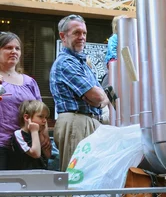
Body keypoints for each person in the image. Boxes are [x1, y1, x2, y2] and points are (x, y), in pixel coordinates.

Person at [50, 14, 109, 171]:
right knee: (76, 178)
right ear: (63, 36)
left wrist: (101, 97)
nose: (82, 37)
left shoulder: (80, 62)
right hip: (76, 122)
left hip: (87, 121)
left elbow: (102, 97)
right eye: (76, 33)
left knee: (89, 177)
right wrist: (100, 97)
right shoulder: (66, 62)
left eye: (84, 33)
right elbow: (98, 96)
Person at [0, 32, 49, 170]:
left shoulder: (29, 82)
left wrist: (43, 134)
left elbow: (40, 111)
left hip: (28, 145)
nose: (14, 51)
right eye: (8, 48)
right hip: (2, 146)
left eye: (17, 48)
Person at [9, 100, 51, 170]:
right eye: (41, 116)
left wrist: (41, 135)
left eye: (46, 117)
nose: (44, 121)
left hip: (41, 172)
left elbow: (48, 155)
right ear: (27, 118)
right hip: (25, 174)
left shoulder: (39, 133)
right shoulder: (18, 134)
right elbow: (36, 154)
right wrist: (34, 131)